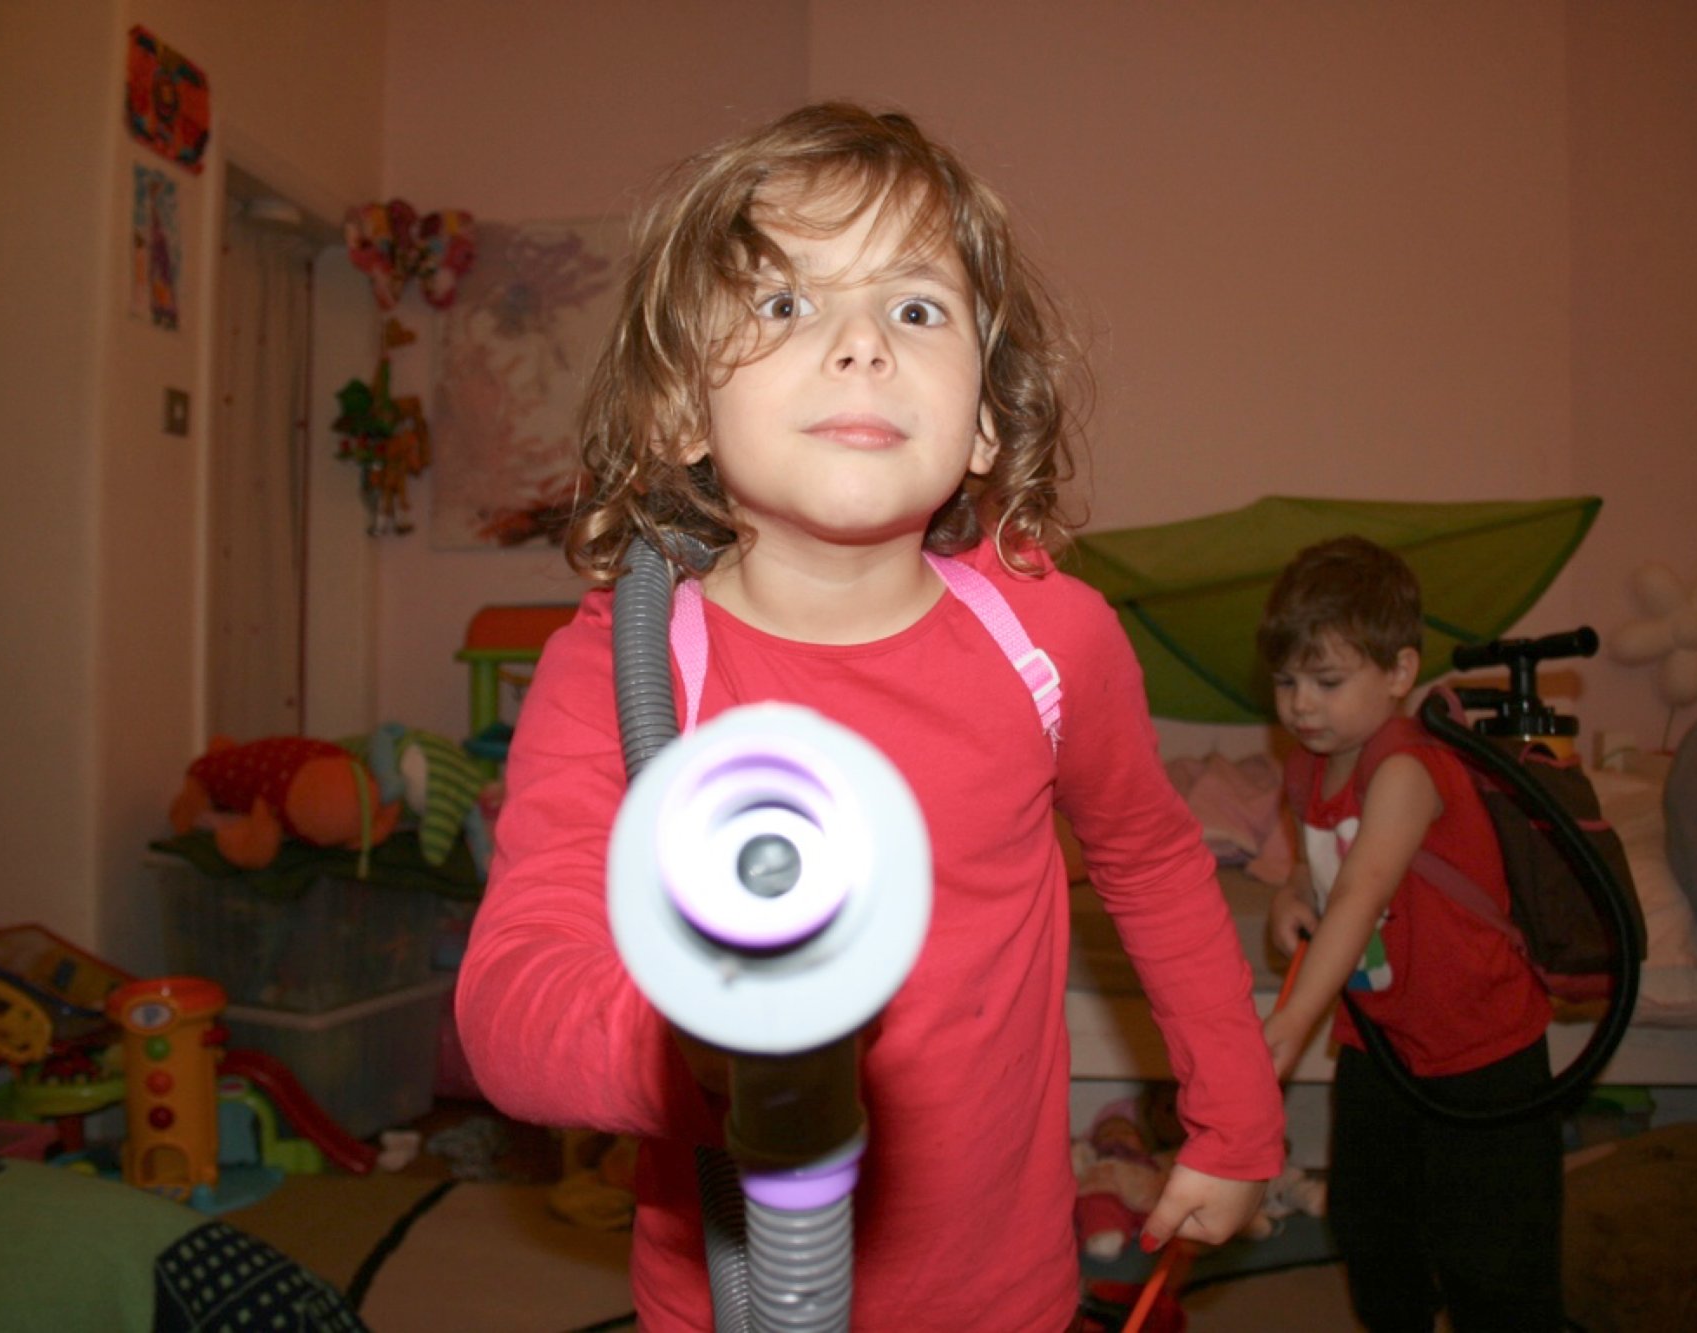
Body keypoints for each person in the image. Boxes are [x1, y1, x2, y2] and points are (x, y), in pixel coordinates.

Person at [455, 102, 1284, 1331]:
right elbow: (512, 999)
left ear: (988, 414)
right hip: (724, 1295)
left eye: (914, 308)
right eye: (786, 304)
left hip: (998, 1289)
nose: (861, 346)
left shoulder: (1050, 639)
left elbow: (1153, 863)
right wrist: (699, 1044)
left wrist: (1234, 1119)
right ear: (682, 408)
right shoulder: (622, 669)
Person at [1256, 535, 1563, 1332]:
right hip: (1383, 1041)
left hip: (1483, 1043)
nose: (1301, 704)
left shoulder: (1406, 769)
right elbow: (1320, 869)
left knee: (1491, 1255)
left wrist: (1288, 1026)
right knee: (1368, 1223)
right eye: (1287, 681)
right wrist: (1289, 893)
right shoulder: (1304, 766)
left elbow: (1360, 894)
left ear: (1398, 672)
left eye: (1327, 681)